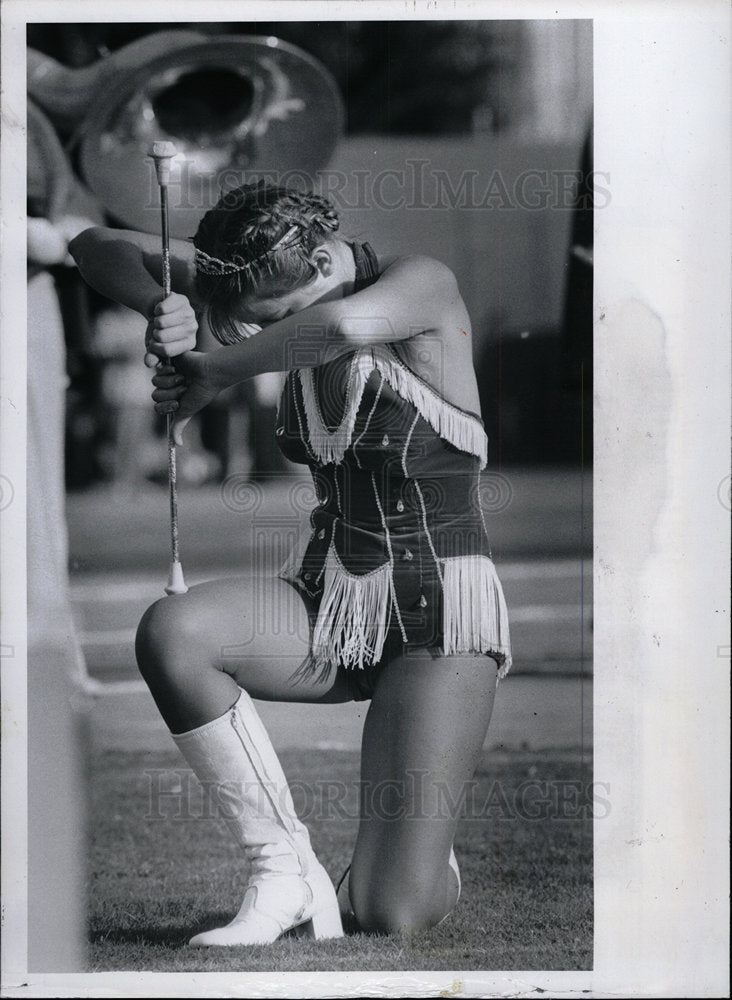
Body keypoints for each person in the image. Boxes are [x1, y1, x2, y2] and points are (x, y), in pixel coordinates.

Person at [69, 181, 512, 947]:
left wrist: (214, 367)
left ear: (317, 261)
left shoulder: (423, 285)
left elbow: (339, 324)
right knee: (175, 633)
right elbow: (92, 246)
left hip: (439, 617)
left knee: (391, 914)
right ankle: (285, 870)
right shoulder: (259, 281)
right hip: (328, 600)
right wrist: (158, 302)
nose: (250, 327)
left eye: (269, 315)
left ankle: (418, 852)